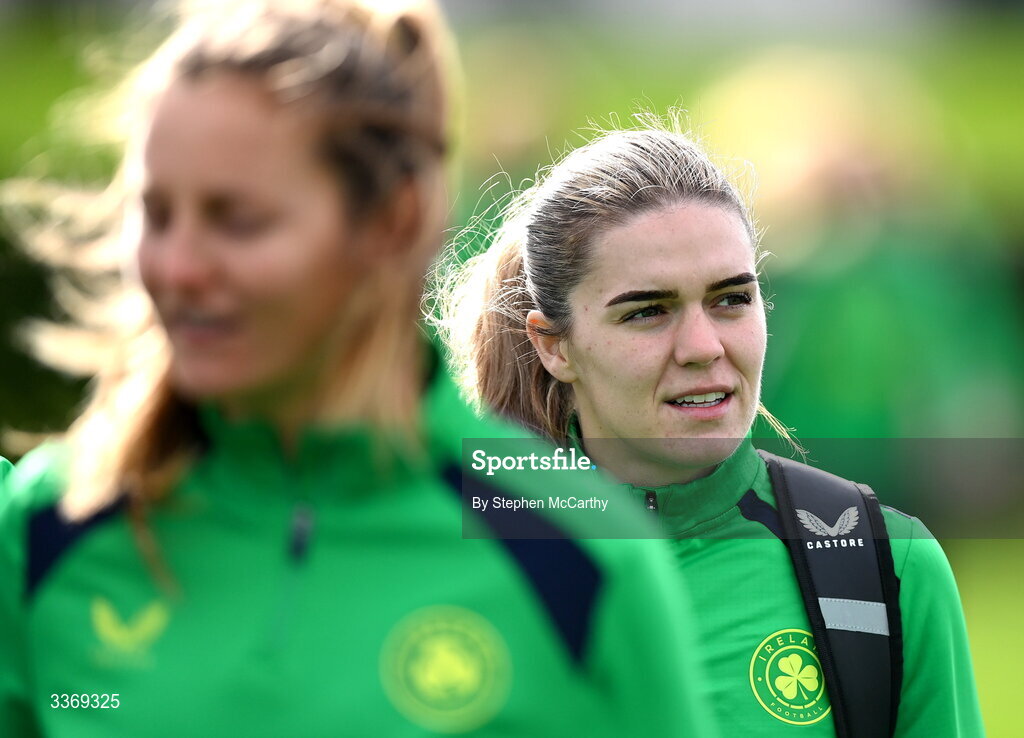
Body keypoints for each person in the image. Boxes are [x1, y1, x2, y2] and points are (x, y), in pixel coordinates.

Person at [0, 4, 716, 736]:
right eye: (155, 214)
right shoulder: (53, 526)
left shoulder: (576, 556)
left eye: (238, 219)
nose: (176, 267)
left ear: (393, 221)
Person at [438, 121, 985, 736]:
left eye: (731, 300)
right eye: (648, 311)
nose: (703, 346)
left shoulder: (883, 566)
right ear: (554, 346)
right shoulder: (458, 563)